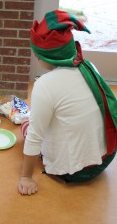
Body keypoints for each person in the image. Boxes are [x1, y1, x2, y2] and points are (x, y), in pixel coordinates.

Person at [18, 10, 117, 196]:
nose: (36, 58)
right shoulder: (89, 66)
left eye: (38, 54)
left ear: (47, 56)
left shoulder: (45, 85)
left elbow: (35, 137)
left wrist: (26, 177)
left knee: (26, 125)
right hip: (107, 157)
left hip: (78, 172)